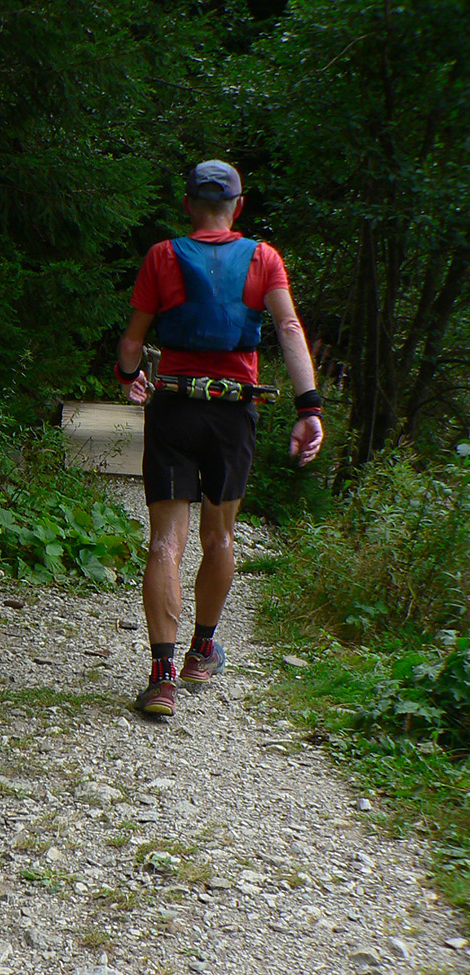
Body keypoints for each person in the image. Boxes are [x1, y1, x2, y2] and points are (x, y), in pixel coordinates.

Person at [114, 160, 324, 717]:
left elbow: (132, 343)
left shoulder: (162, 256)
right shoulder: (263, 258)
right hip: (233, 413)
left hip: (174, 407)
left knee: (166, 543)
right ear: (239, 205)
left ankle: (161, 679)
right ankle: (201, 651)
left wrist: (128, 375)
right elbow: (288, 328)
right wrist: (309, 408)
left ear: (188, 205)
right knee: (220, 536)